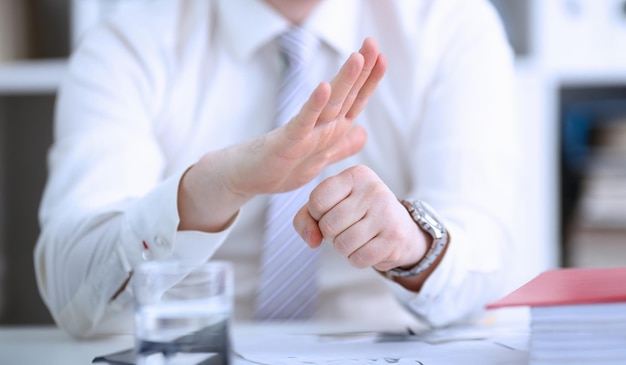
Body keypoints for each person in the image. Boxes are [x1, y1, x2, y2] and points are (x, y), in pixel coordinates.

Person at [34, 0, 523, 338]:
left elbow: (489, 258)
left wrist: (411, 245)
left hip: (395, 344)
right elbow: (69, 290)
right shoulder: (129, 40)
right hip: (186, 351)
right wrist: (208, 190)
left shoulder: (451, 25)